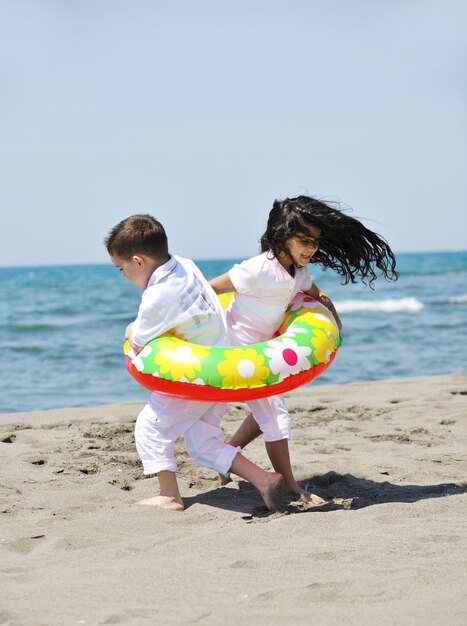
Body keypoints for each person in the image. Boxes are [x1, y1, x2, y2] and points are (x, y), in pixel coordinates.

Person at [209, 195, 399, 504]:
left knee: (265, 415)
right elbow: (210, 289)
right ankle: (292, 487)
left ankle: (230, 456)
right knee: (276, 418)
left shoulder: (297, 272)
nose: (311, 248)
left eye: (316, 242)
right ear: (283, 236)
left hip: (262, 351)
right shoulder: (258, 269)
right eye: (305, 240)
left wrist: (335, 319)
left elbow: (317, 292)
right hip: (237, 352)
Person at [105, 214, 286, 512]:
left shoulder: (157, 296)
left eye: (121, 268)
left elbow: (137, 339)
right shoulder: (184, 264)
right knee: (201, 442)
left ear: (138, 262)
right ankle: (265, 480)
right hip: (219, 368)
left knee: (149, 427)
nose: (123, 275)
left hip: (195, 379)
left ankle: (170, 496)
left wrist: (129, 329)